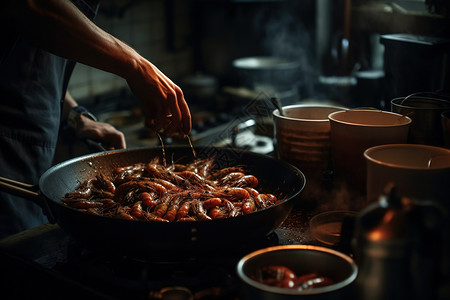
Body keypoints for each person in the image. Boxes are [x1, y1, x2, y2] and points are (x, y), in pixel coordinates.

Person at [0, 0, 192, 238]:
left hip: (33, 150)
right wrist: (136, 65)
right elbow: (31, 6)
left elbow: (35, 61)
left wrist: (75, 114)